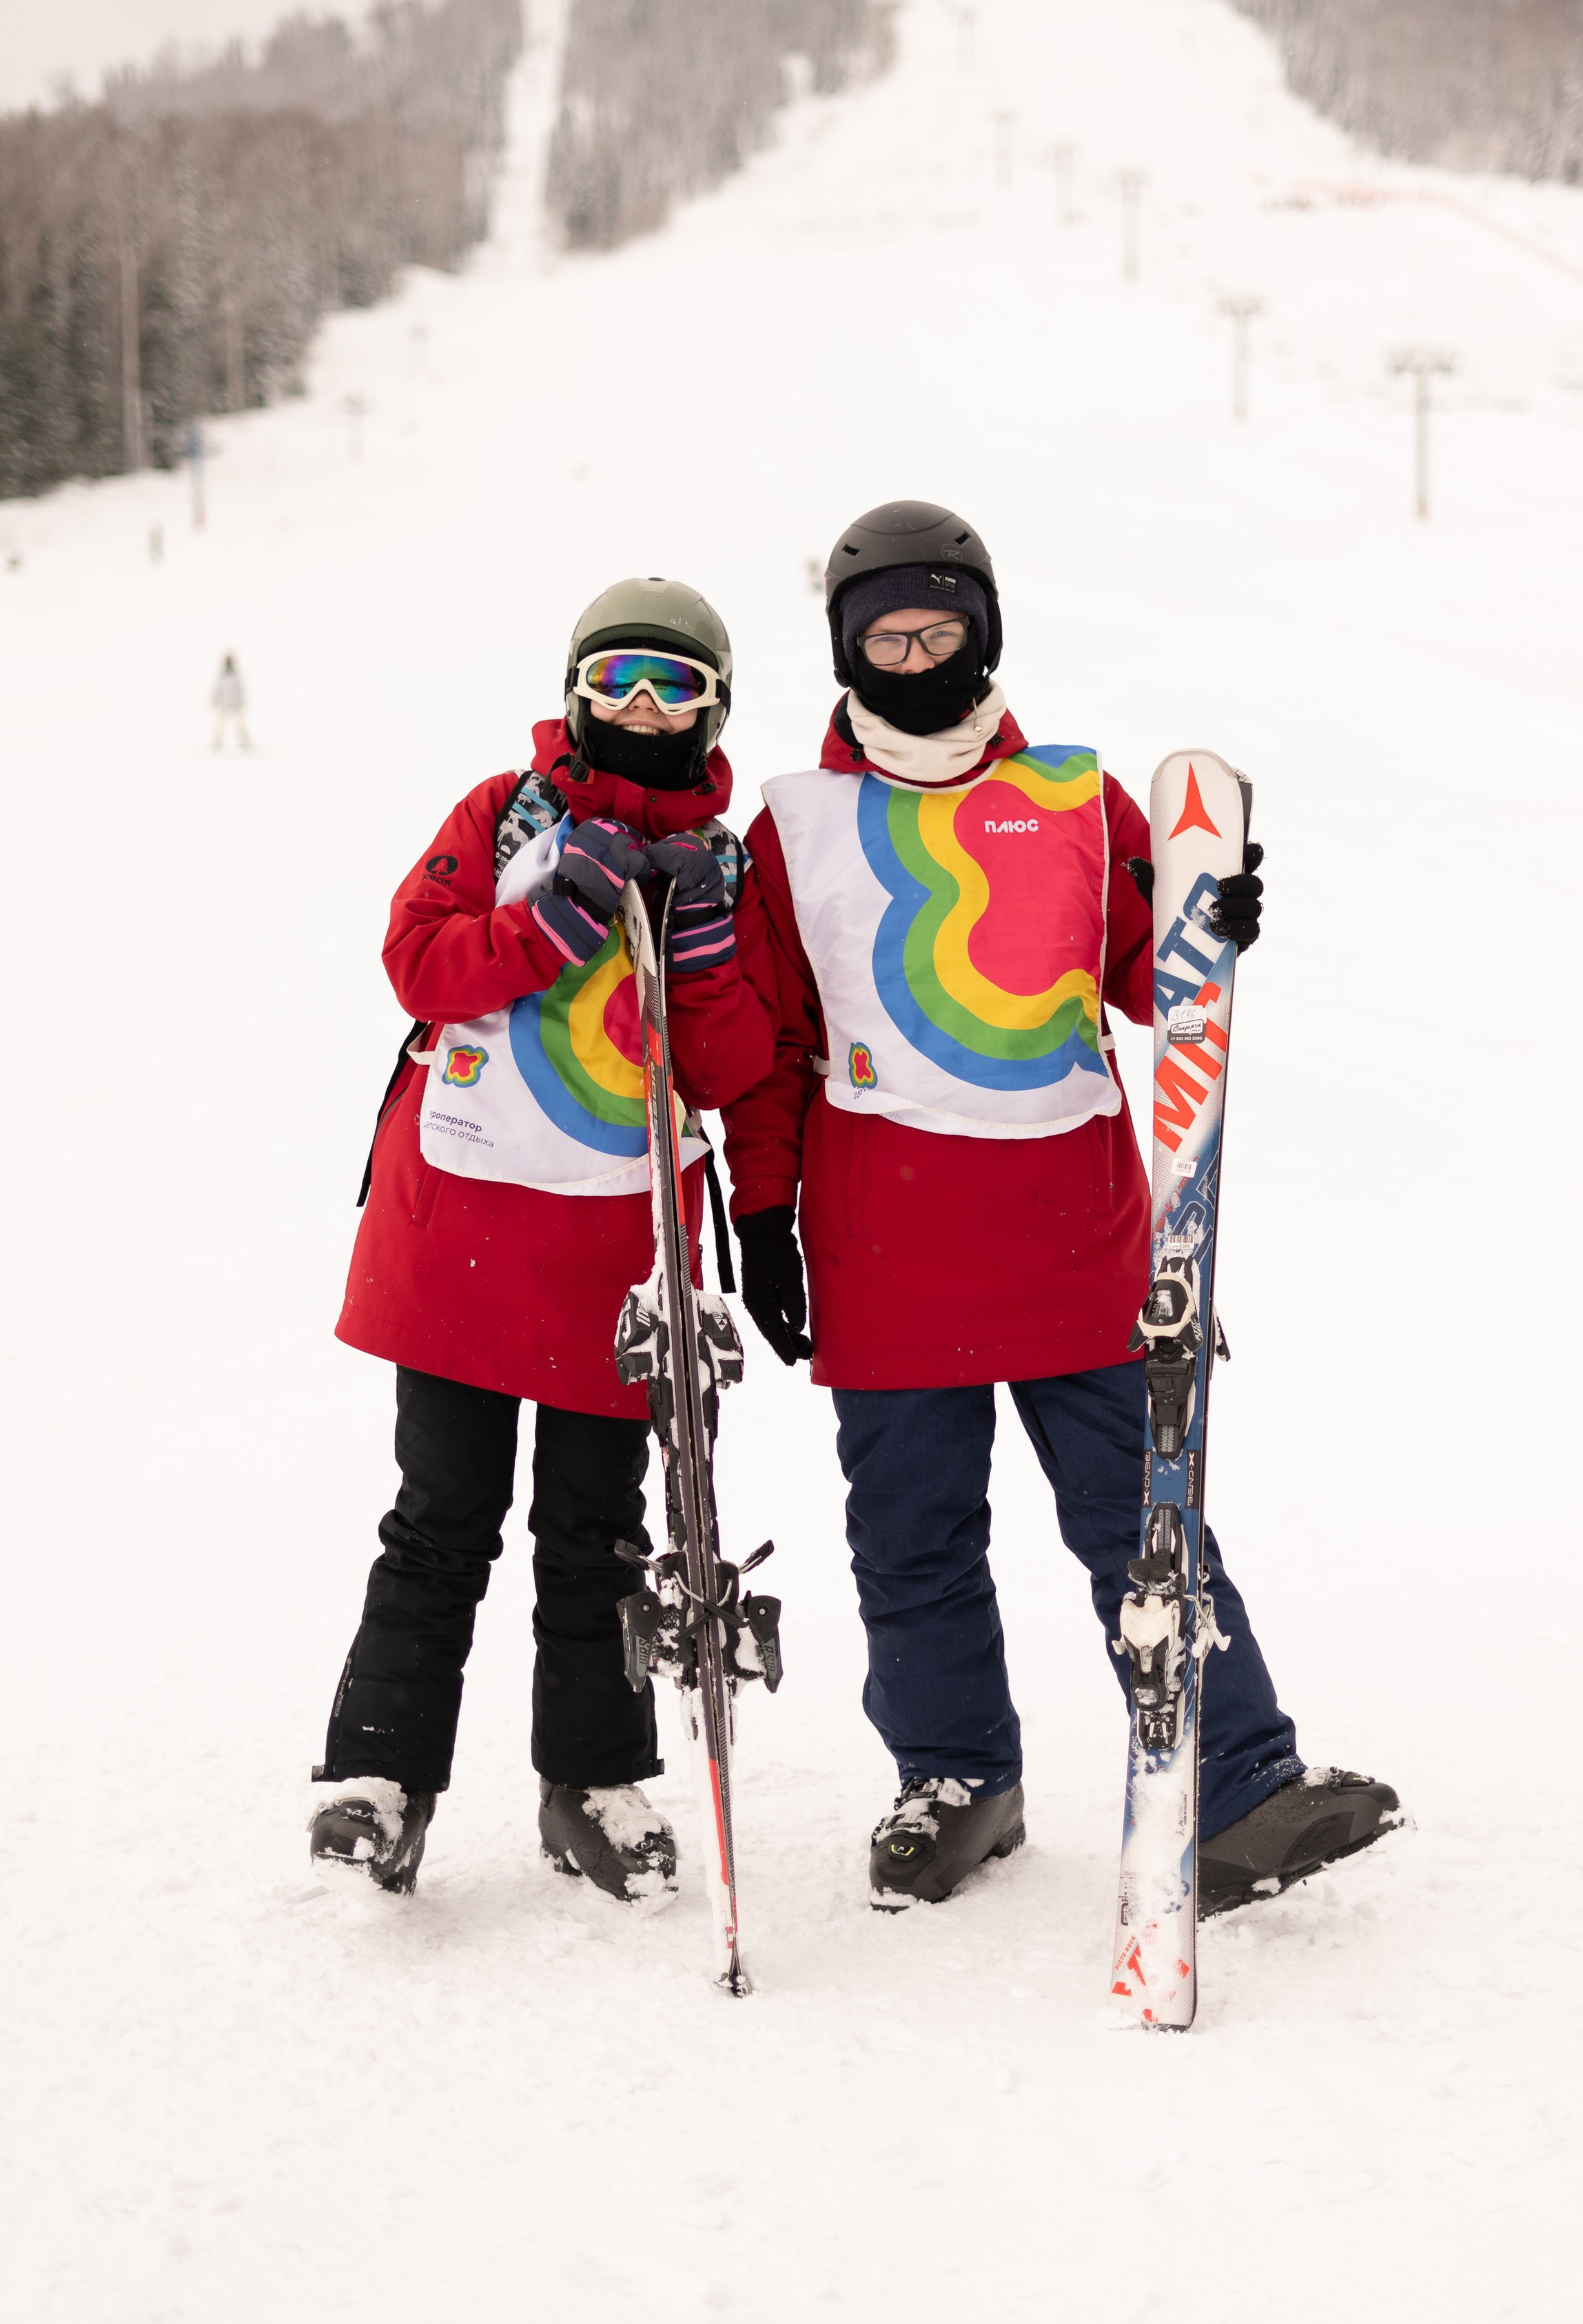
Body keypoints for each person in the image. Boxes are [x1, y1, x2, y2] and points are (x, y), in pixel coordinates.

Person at [723, 501, 1400, 1912]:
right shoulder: (793, 825)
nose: (915, 655)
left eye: (939, 627)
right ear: (846, 649)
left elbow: (1155, 992)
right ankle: (954, 1778)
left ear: (984, 628)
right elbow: (776, 1041)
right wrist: (765, 1215)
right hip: (884, 1240)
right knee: (911, 1540)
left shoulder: (1081, 802)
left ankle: (1237, 1785)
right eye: (885, 635)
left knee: (1144, 1520)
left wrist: (1201, 927)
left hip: (1076, 1234)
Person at [310, 579, 776, 1899]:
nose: (641, 706)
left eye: (673, 685)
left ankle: (595, 1783)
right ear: (574, 690)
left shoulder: (723, 864)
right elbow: (417, 959)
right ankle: (380, 1776)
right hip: (464, 1226)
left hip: (618, 1255)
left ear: (714, 707)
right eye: (619, 677)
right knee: (442, 1517)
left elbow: (739, 1067)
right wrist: (544, 923)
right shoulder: (503, 815)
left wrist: (695, 950)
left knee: (600, 1529)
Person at [211, 651, 249, 752]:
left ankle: (245, 744)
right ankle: (217, 744)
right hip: (224, 706)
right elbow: (217, 690)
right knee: (220, 726)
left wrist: (241, 703)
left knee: (240, 726)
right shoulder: (222, 676)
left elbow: (240, 691)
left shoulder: (235, 676)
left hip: (235, 705)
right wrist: (215, 702)